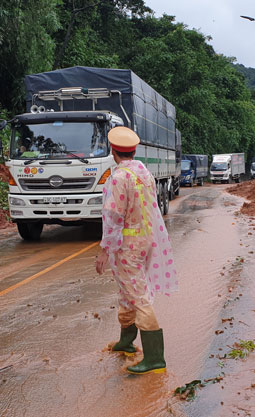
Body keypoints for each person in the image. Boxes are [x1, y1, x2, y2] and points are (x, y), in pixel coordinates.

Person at [95, 126, 178, 375]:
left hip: (127, 245)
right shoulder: (144, 173)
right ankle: (126, 342)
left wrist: (103, 250)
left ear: (113, 151)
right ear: (133, 150)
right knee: (127, 290)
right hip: (144, 241)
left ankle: (154, 358)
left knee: (138, 296)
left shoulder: (119, 178)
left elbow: (113, 217)